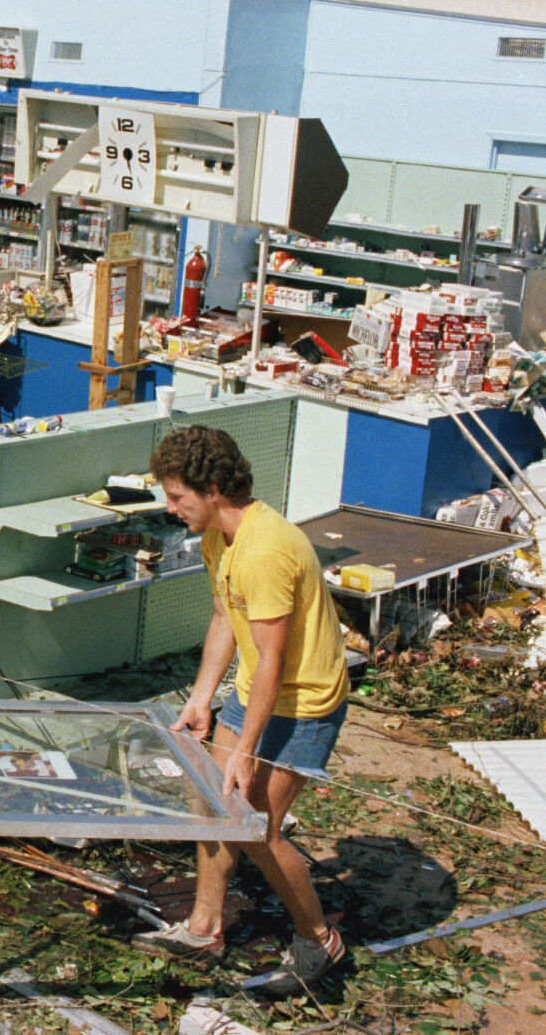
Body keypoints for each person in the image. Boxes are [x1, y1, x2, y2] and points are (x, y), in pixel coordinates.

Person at [135, 425, 350, 999]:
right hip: (256, 691)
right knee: (210, 800)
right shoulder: (220, 539)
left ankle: (318, 937)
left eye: (177, 496)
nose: (170, 507)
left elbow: (275, 664)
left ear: (211, 489)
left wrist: (246, 754)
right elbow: (226, 619)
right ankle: (204, 928)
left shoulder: (265, 550)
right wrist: (203, 696)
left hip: (303, 702)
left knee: (256, 827)